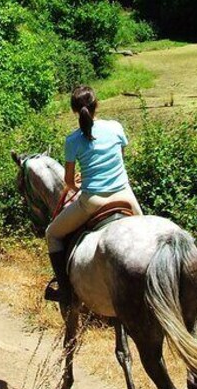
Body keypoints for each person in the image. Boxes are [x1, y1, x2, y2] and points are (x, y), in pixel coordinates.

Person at [44, 85, 143, 304]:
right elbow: (120, 159)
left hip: (93, 201)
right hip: (125, 195)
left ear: (74, 110)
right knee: (146, 235)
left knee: (52, 234)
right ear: (97, 105)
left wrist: (79, 184)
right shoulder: (116, 127)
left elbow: (68, 182)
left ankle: (65, 291)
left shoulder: (72, 141)